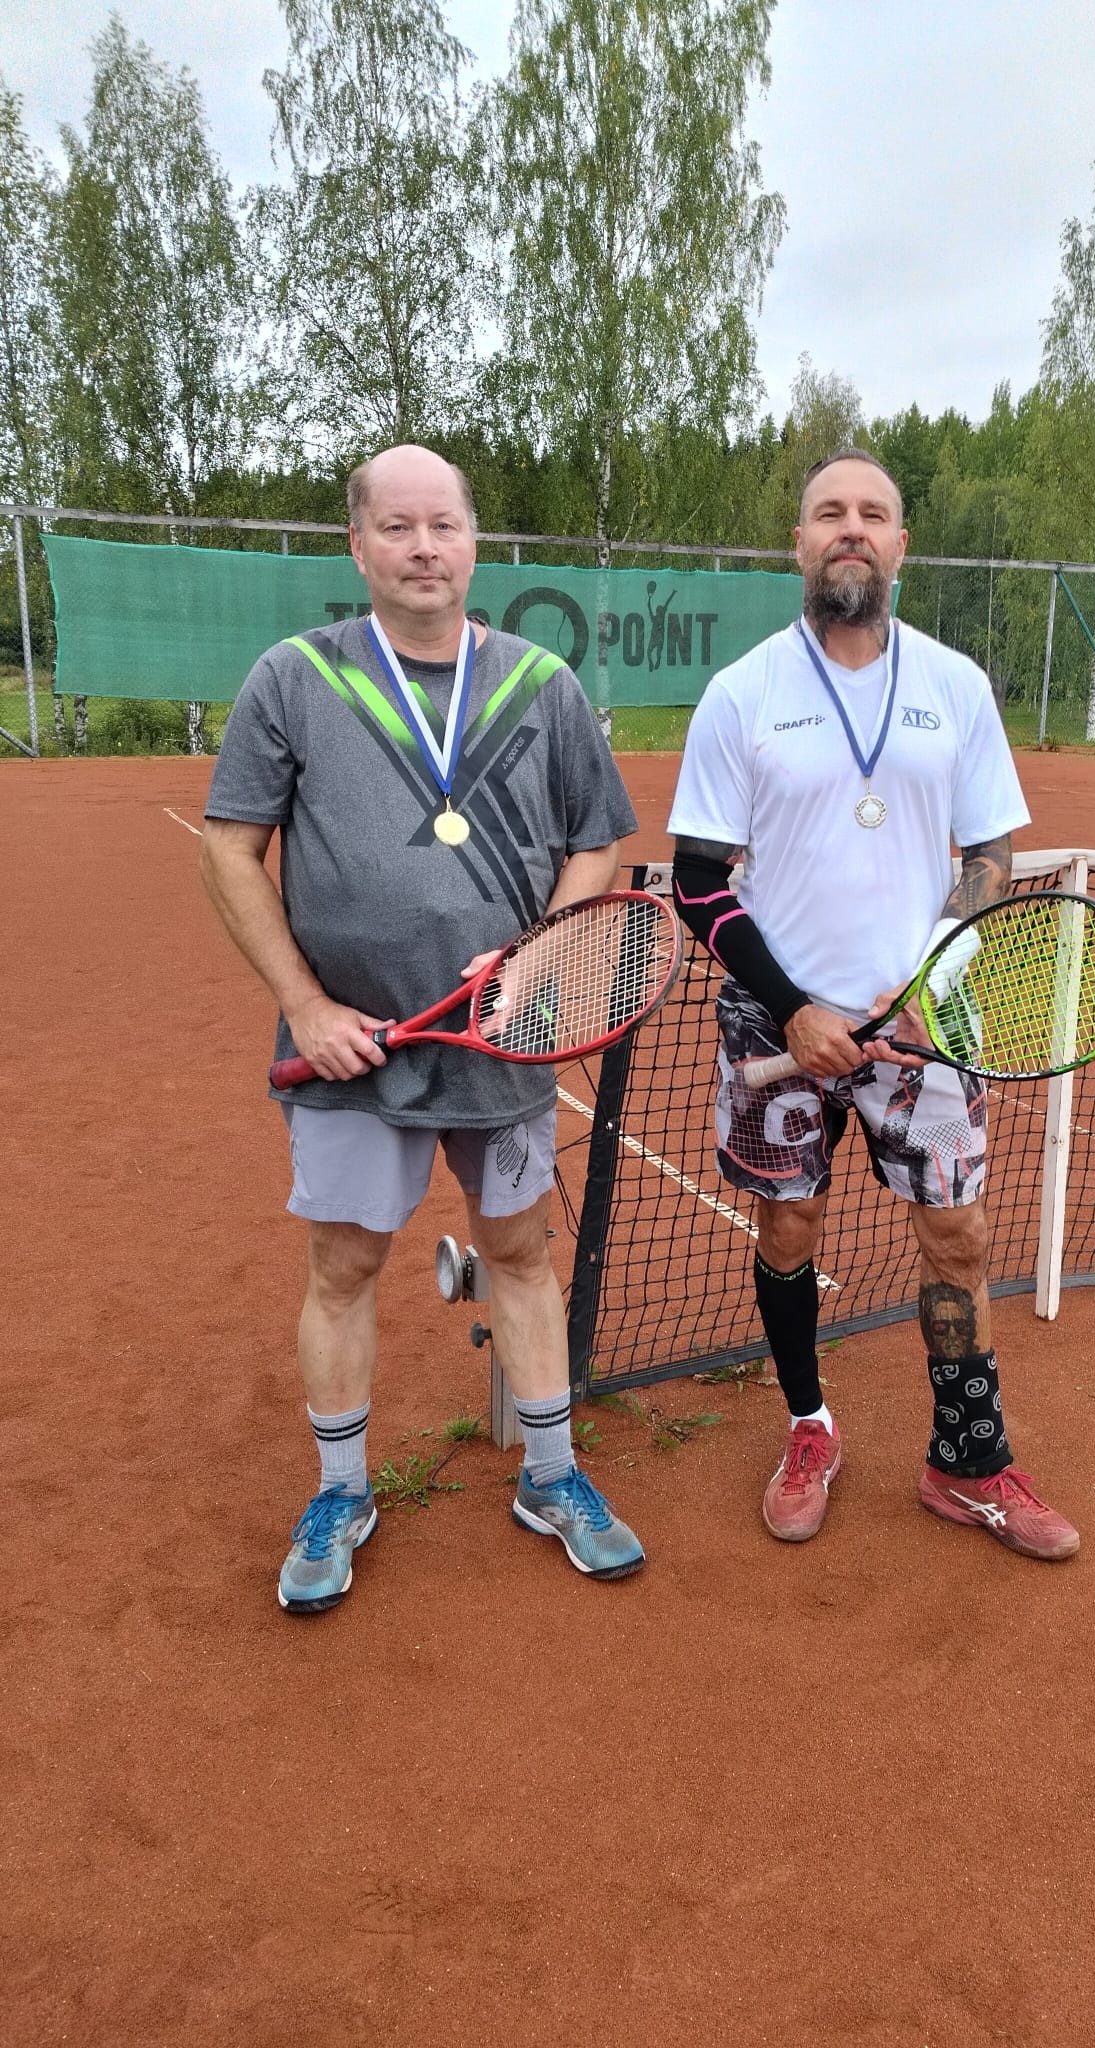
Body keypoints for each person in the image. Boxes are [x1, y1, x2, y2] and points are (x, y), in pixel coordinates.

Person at [201, 444, 646, 1612]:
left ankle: (549, 1474)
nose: (422, 547)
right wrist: (307, 1006)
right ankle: (341, 1492)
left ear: (474, 541)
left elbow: (598, 841)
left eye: (442, 524)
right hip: (350, 1053)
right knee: (345, 1264)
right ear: (358, 545)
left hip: (502, 1045)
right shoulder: (294, 678)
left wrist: (538, 957)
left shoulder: (542, 683)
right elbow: (230, 847)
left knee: (521, 1253)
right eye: (396, 527)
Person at [667, 448, 1079, 1560]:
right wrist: (796, 1008)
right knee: (788, 1228)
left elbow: (989, 853)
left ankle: (969, 1460)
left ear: (901, 544)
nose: (850, 527)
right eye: (828, 512)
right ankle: (810, 1426)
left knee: (957, 1234)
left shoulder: (957, 685)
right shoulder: (743, 691)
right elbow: (698, 880)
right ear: (799, 543)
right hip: (777, 1025)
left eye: (872, 513)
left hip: (924, 1031)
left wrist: (933, 974)